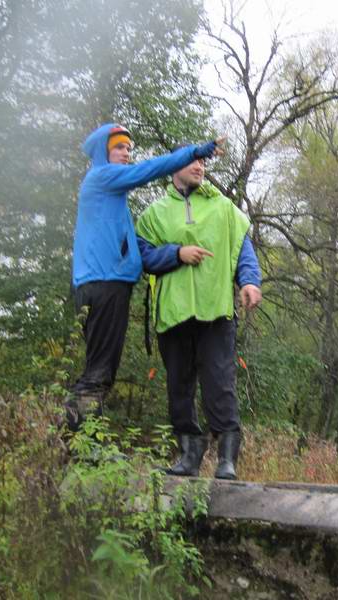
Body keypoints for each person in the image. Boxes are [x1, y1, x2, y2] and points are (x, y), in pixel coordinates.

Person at [67, 124, 224, 430]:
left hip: (104, 283)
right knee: (99, 373)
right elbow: (151, 170)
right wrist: (195, 152)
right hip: (104, 284)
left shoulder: (108, 189)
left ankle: (81, 440)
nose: (126, 153)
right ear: (104, 152)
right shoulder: (102, 177)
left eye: (129, 148)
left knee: (100, 369)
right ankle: (80, 444)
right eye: (119, 148)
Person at [136, 152, 261, 479]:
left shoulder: (222, 208)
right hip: (173, 312)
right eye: (192, 161)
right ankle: (189, 456)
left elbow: (242, 248)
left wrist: (249, 281)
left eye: (203, 163)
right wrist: (177, 253)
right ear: (174, 167)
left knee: (219, 383)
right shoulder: (154, 214)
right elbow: (143, 257)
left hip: (215, 310)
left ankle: (227, 459)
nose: (199, 166)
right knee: (179, 386)